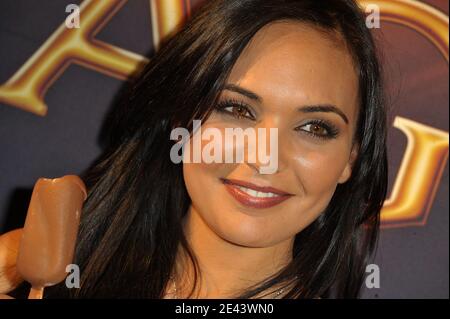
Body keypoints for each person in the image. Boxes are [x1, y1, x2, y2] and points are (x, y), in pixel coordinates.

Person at [10, 0, 389, 299]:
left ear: (350, 159)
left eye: (314, 127)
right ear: (181, 119)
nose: (264, 156)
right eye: (236, 109)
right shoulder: (39, 270)